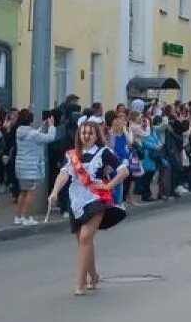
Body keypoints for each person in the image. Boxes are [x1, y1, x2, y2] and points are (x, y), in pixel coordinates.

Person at [47, 118, 130, 295]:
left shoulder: (104, 152)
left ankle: (81, 283)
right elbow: (64, 175)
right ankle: (93, 275)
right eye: (83, 133)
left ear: (96, 135)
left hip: (96, 198)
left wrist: (109, 185)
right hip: (76, 199)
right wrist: (54, 192)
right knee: (84, 242)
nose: (86, 136)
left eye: (90, 133)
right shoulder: (72, 155)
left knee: (85, 238)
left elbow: (124, 170)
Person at [12, 110, 58, 226]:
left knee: (22, 192)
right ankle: (27, 218)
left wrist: (43, 126)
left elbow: (36, 134)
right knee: (31, 193)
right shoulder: (33, 134)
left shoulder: (19, 132)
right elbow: (50, 138)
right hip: (31, 167)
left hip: (21, 167)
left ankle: (18, 217)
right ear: (30, 120)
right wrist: (52, 126)